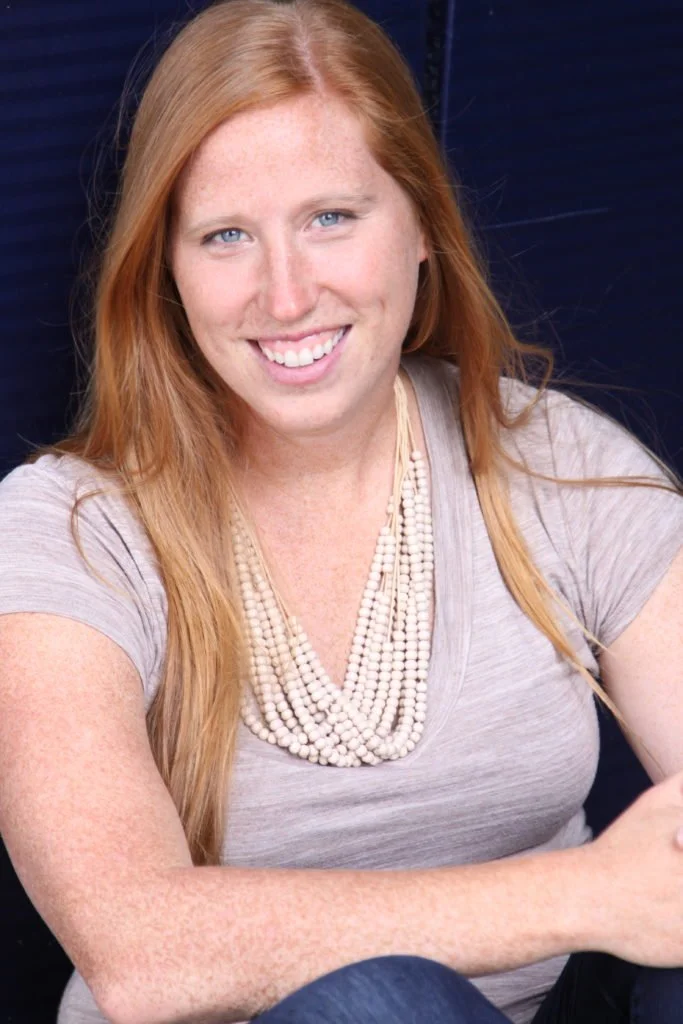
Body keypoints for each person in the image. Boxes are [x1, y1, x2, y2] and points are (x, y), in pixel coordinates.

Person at [0, 1, 681, 1022]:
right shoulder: (68, 530)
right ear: (166, 274)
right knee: (383, 1004)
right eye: (225, 235)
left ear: (419, 230)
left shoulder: (556, 462)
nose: (284, 294)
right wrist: (585, 895)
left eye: (330, 218)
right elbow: (138, 951)